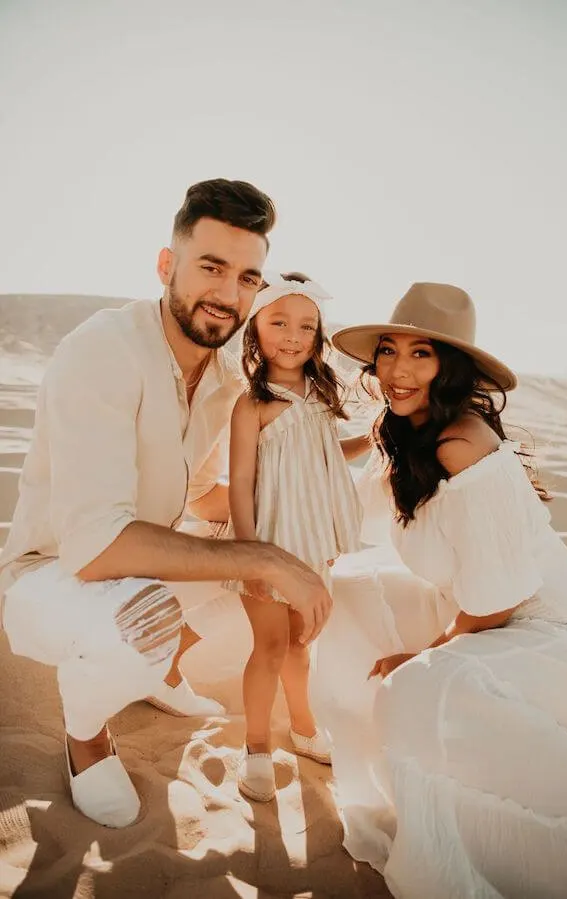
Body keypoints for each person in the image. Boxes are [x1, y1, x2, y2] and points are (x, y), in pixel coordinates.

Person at [0, 179, 332, 830]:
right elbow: (95, 546)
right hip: (50, 576)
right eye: (211, 267)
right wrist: (261, 557)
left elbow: (205, 494)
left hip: (133, 566)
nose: (228, 292)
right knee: (172, 597)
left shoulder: (225, 376)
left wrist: (282, 538)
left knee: (254, 554)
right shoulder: (105, 351)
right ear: (166, 266)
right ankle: (87, 731)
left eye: (246, 277)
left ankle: (160, 668)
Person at [315, 282, 567, 898]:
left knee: (418, 687)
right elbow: (344, 518)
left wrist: (425, 652)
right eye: (388, 351)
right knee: (348, 591)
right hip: (489, 614)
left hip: (558, 632)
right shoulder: (406, 437)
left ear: (452, 367)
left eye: (422, 354)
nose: (397, 368)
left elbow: (496, 601)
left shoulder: (461, 442)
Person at [226, 271, 369, 801]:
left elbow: (327, 454)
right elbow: (240, 481)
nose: (292, 335)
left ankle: (304, 729)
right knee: (267, 648)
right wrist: (248, 557)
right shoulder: (253, 403)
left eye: (306, 326)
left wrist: (370, 442)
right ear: (255, 330)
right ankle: (257, 748)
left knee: (300, 646)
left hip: (311, 544)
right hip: (267, 544)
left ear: (318, 335)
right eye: (279, 322)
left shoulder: (318, 393)